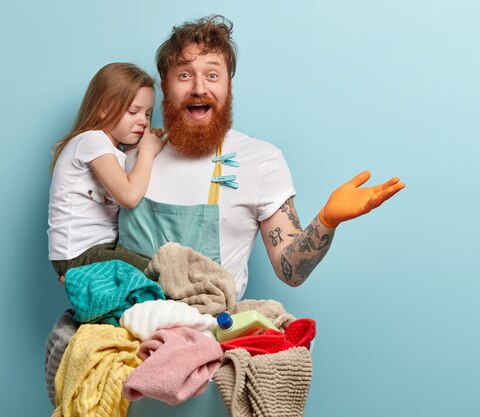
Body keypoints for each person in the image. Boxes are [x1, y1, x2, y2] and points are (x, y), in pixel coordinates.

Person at [119, 16, 405, 299]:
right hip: (126, 329)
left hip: (212, 333)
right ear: (165, 87)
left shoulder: (261, 161)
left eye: (212, 75)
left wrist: (327, 221)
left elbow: (291, 272)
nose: (198, 88)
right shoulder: (128, 154)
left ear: (228, 86)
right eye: (184, 75)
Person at [47, 63, 165, 280]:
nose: (143, 121)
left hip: (92, 251)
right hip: (79, 253)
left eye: (147, 114)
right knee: (160, 273)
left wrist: (142, 147)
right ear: (103, 108)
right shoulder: (92, 140)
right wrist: (147, 151)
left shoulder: (111, 150)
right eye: (133, 111)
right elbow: (128, 197)